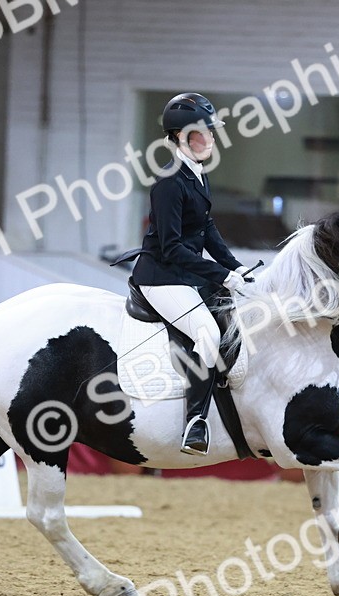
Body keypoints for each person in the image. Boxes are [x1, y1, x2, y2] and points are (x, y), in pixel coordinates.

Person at [130, 93, 249, 456]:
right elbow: (171, 247)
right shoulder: (169, 182)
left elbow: (206, 228)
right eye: (200, 134)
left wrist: (235, 266)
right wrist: (221, 275)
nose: (209, 139)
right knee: (208, 332)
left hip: (184, 274)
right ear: (180, 137)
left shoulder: (197, 174)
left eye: (210, 133)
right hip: (160, 276)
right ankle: (195, 423)